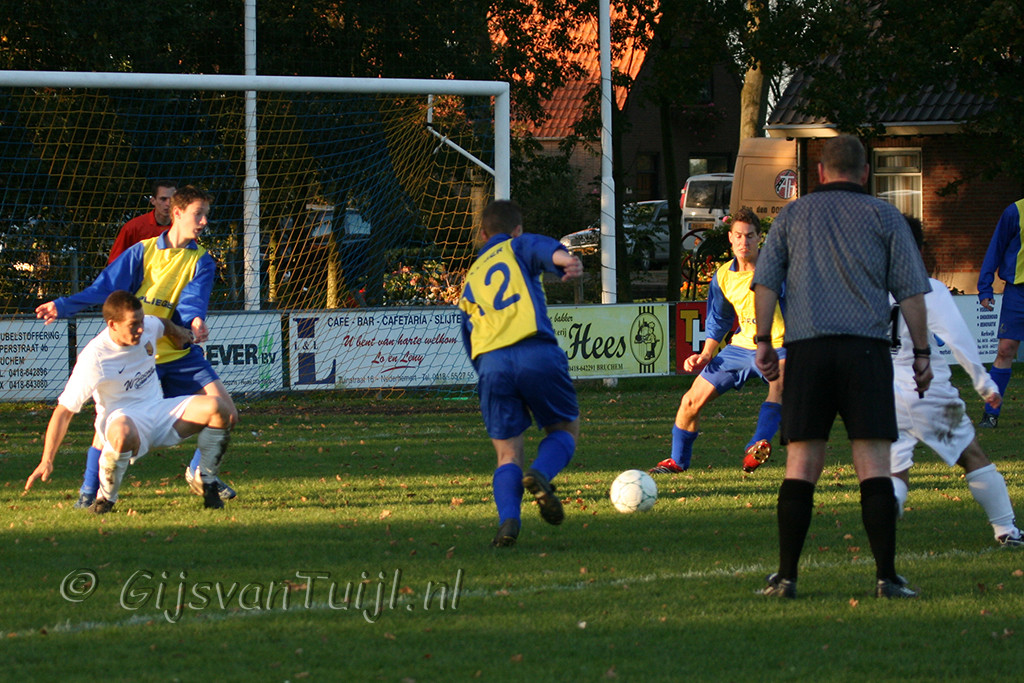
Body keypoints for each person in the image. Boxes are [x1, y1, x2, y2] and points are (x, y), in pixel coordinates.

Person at [751, 135, 933, 599]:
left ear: (820, 172)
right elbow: (912, 292)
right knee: (873, 465)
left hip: (808, 352)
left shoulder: (792, 216)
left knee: (801, 463)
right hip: (865, 352)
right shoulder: (885, 217)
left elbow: (766, 282)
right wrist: (922, 353)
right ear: (865, 173)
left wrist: (764, 340)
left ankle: (786, 577)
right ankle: (886, 577)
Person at [35, 185, 238, 506]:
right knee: (108, 425)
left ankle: (200, 472)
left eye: (206, 215)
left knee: (228, 413)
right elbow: (105, 288)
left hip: (179, 352)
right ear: (177, 213)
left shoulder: (202, 260)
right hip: (141, 352)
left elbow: (192, 299)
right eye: (198, 214)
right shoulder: (143, 252)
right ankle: (89, 493)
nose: (203, 222)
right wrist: (63, 305)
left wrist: (196, 320)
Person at [25, 291, 232, 511]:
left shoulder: (147, 326)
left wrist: (180, 333)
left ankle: (207, 482)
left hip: (159, 412)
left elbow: (162, 324)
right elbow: (63, 412)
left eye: (141, 321)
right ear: (112, 325)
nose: (141, 329)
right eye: (134, 325)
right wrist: (47, 459)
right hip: (122, 421)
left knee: (218, 408)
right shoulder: (94, 358)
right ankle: (105, 499)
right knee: (122, 432)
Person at [457, 199, 583, 548]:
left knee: (507, 454)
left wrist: (488, 373)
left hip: (491, 365)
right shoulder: (517, 245)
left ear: (483, 235)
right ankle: (540, 473)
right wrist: (565, 261)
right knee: (565, 429)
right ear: (516, 230)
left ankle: (509, 521)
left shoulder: (472, 276)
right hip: (535, 351)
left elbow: (467, 334)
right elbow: (542, 249)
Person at [891, 217, 1023, 547]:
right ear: (919, 250)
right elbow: (959, 339)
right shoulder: (928, 288)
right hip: (929, 391)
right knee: (972, 455)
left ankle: (883, 531)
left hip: (884, 395)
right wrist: (984, 384)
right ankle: (1006, 529)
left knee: (894, 471)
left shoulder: (866, 291)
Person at [649, 208, 786, 475]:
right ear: (730, 238)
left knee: (779, 388)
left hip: (780, 346)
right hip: (740, 348)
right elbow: (719, 318)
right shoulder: (723, 275)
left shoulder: (779, 268)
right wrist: (706, 353)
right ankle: (677, 461)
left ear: (759, 238)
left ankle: (756, 446)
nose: (744, 242)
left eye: (750, 236)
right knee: (690, 401)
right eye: (739, 236)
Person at [975, 197, 1024, 428]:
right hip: (1018, 292)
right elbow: (996, 248)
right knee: (1005, 350)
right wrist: (985, 287)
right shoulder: (1015, 211)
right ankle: (991, 414)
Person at [108, 180, 177, 264]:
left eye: (172, 199)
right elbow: (115, 261)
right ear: (153, 200)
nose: (168, 204)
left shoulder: (184, 228)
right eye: (163, 199)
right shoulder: (133, 227)